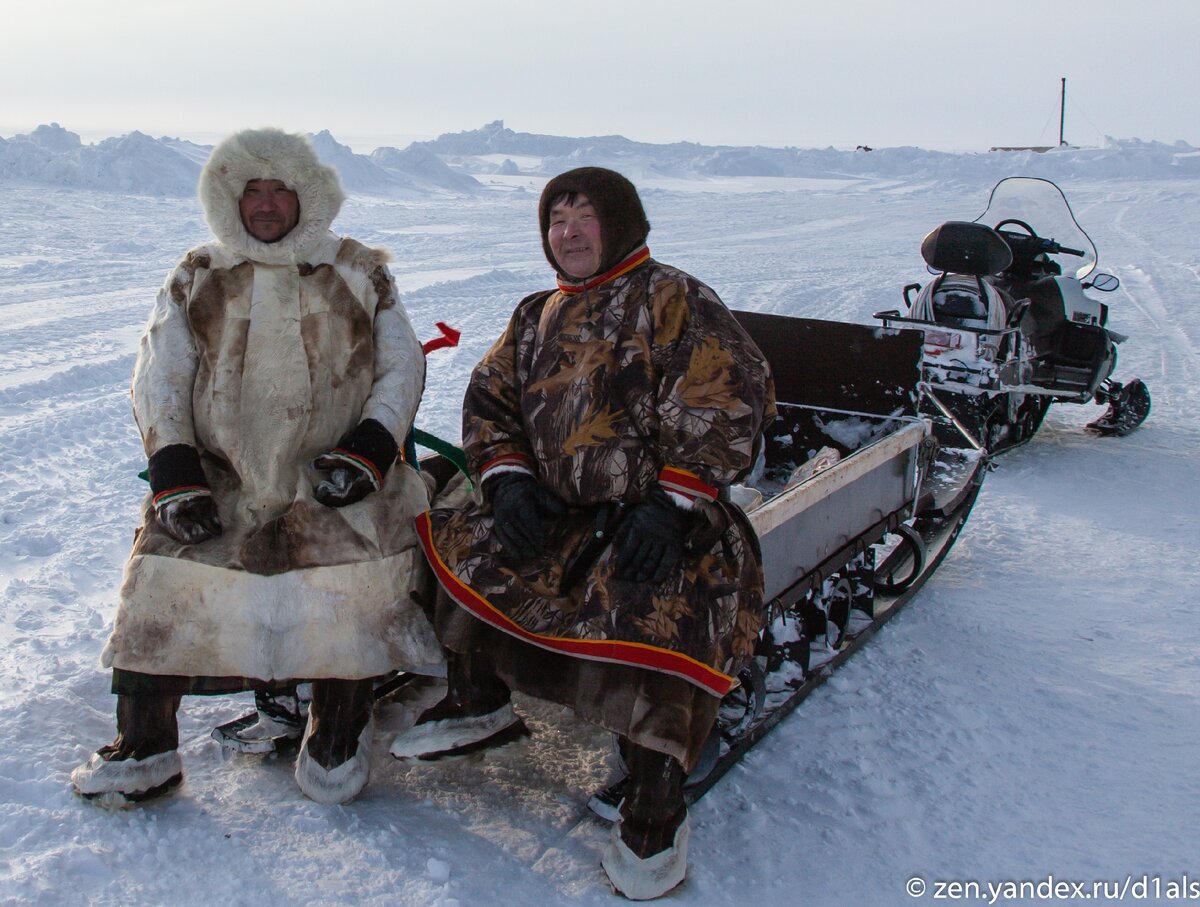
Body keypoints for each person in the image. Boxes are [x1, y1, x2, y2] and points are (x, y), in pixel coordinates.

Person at [391, 167, 775, 899]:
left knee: (657, 606)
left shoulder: (672, 296)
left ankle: (656, 787)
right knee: (457, 546)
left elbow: (729, 392)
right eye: (555, 219)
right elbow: (491, 396)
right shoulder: (537, 310)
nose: (567, 231)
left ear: (621, 223)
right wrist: (506, 480)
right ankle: (479, 697)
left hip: (657, 516)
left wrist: (672, 502)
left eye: (584, 215)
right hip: (558, 511)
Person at [71, 127, 442, 806]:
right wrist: (175, 471)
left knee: (350, 579)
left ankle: (340, 728)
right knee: (163, 575)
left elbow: (401, 365)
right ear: (229, 198)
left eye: (281, 189)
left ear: (309, 196)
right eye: (253, 190)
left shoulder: (358, 272)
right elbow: (160, 373)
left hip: (336, 473)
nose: (267, 204)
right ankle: (145, 744)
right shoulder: (198, 273)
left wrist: (367, 451)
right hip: (223, 476)